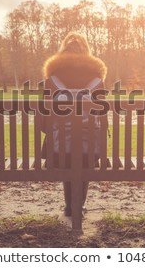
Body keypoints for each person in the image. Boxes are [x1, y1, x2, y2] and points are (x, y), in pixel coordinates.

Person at [41, 32, 107, 216]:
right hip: (90, 150)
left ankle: (70, 206)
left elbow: (42, 122)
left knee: (66, 152)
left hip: (58, 150)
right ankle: (78, 205)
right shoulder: (97, 81)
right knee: (84, 157)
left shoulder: (51, 80)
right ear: (87, 52)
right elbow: (103, 119)